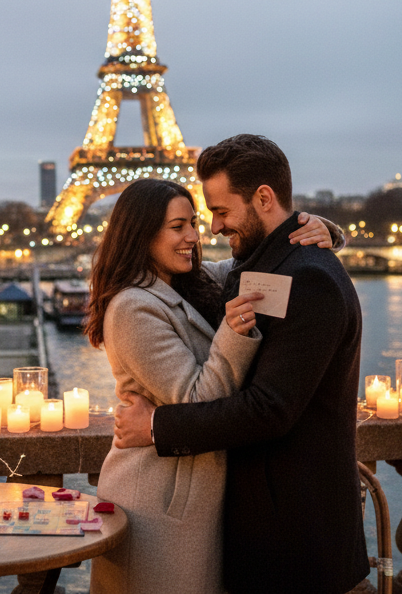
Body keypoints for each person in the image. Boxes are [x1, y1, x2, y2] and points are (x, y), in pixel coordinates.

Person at [113, 135, 369, 594]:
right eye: (190, 222)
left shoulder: (306, 276)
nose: (209, 230)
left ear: (264, 198)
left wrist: (157, 427)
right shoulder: (263, 266)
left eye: (219, 213)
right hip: (259, 521)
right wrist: (322, 230)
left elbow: (270, 408)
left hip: (293, 528)